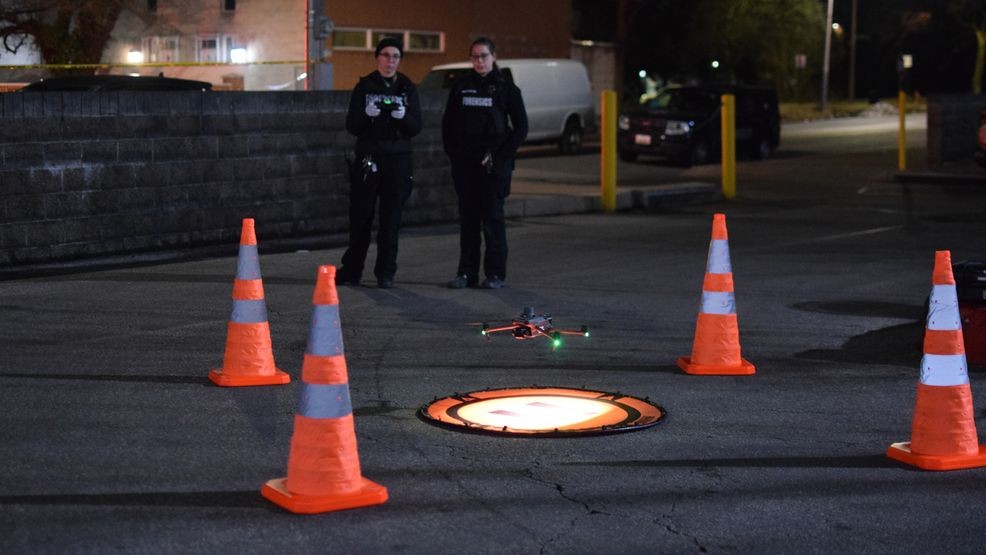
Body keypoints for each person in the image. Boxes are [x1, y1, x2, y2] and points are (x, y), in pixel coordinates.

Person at [442, 37, 528, 289]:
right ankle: (466, 273)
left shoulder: (507, 89)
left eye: (484, 56)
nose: (479, 61)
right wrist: (455, 156)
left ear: (494, 57)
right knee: (468, 220)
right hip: (466, 164)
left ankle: (494, 275)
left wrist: (502, 157)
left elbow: (521, 128)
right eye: (475, 56)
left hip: (494, 165)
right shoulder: (461, 87)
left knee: (492, 219)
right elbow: (448, 126)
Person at [337, 37, 422, 289]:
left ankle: (385, 273)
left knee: (391, 219)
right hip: (369, 158)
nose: (390, 61)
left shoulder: (407, 88)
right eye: (385, 55)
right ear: (377, 58)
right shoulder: (365, 86)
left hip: (397, 160)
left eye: (395, 56)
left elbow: (416, 126)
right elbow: (352, 125)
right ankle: (353, 270)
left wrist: (403, 117)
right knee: (361, 217)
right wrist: (366, 115)